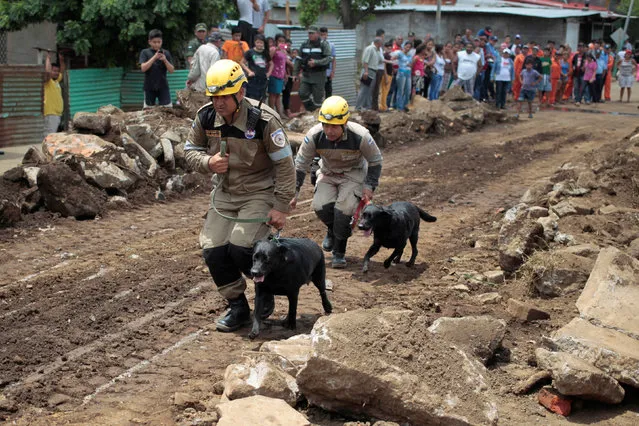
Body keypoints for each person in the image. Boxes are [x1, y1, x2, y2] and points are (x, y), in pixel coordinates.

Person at [184, 59, 296, 332]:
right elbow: (189, 150)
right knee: (213, 249)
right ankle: (238, 307)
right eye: (214, 96)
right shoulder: (206, 117)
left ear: (240, 93)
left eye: (224, 96)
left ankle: (266, 289)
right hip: (225, 191)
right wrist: (208, 162)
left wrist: (280, 206)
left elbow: (284, 164)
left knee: (242, 247)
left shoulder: (264, 120)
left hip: (259, 190)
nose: (218, 103)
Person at [291, 96, 383, 269]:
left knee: (344, 210)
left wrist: (369, 186)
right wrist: (294, 193)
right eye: (326, 125)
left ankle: (339, 252)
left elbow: (376, 161)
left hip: (353, 174)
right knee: (320, 206)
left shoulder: (361, 136)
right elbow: (300, 164)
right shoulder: (314, 135)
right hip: (328, 172)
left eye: (334, 126)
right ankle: (333, 231)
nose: (329, 131)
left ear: (344, 123)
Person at [295, 26, 332, 112]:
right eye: (309, 33)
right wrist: (295, 73)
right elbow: (298, 59)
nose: (310, 35)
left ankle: (318, 115)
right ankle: (312, 110)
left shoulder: (323, 44)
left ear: (317, 34)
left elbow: (328, 58)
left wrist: (316, 62)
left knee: (318, 98)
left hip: (319, 76)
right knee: (302, 93)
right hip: (306, 75)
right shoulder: (304, 44)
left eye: (312, 33)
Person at [139, 29, 175, 108]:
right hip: (149, 86)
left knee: (167, 109)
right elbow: (143, 68)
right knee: (148, 111)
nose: (157, 44)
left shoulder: (166, 53)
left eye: (159, 42)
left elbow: (171, 70)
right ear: (149, 42)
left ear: (162, 41)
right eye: (154, 42)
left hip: (163, 86)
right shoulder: (145, 52)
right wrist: (154, 58)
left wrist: (165, 60)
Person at [240, 34, 272, 101]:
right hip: (253, 79)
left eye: (261, 43)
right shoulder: (250, 52)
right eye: (258, 42)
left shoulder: (265, 53)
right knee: (252, 99)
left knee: (262, 99)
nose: (259, 44)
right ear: (254, 42)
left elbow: (271, 64)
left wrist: (269, 73)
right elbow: (242, 62)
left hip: (263, 79)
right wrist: (249, 71)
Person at [356, 37, 383, 110]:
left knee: (369, 90)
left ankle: (367, 107)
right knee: (364, 89)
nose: (382, 44)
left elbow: (382, 60)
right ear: (378, 43)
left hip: (373, 72)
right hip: (368, 71)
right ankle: (358, 107)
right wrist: (366, 71)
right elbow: (365, 61)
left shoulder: (376, 50)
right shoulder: (370, 49)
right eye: (381, 43)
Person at [43, 51, 65, 138]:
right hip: (50, 114)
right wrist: (48, 58)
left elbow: (62, 71)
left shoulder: (56, 81)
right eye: (54, 71)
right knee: (49, 136)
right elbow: (47, 72)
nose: (56, 73)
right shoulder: (48, 82)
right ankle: (45, 151)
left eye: (57, 71)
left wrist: (61, 60)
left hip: (56, 114)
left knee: (51, 136)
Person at [268, 34, 289, 116]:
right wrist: (276, 49)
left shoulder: (284, 51)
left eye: (283, 41)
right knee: (272, 94)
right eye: (280, 41)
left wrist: (285, 74)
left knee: (278, 94)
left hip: (281, 75)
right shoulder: (273, 49)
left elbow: (284, 64)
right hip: (273, 74)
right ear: (276, 41)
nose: (281, 43)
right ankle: (271, 112)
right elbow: (269, 58)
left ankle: (278, 113)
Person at [393, 41, 414, 112]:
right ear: (404, 46)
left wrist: (410, 65)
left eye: (409, 47)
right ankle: (399, 107)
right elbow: (393, 58)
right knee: (400, 90)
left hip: (408, 74)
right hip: (401, 73)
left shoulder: (410, 55)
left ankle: (405, 105)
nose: (408, 48)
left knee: (408, 90)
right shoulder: (400, 53)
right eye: (407, 46)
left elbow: (411, 64)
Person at [320, 27, 337, 99]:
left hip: (328, 72)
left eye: (325, 34)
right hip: (319, 72)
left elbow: (333, 59)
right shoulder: (317, 45)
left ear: (327, 34)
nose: (324, 36)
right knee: (319, 91)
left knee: (328, 90)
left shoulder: (331, 45)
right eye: (322, 34)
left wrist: (333, 71)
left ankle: (328, 107)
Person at [372, 29, 386, 110]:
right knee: (375, 89)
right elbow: (380, 59)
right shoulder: (374, 46)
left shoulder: (380, 47)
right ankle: (373, 107)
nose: (383, 39)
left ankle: (375, 107)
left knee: (377, 89)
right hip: (376, 69)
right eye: (383, 37)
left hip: (380, 69)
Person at [379, 41, 394, 111]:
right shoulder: (385, 55)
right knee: (384, 91)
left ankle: (384, 106)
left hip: (389, 75)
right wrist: (386, 77)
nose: (389, 49)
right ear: (385, 48)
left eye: (391, 48)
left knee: (386, 91)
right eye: (388, 48)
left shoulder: (388, 55)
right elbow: (384, 66)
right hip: (386, 75)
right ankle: (383, 107)